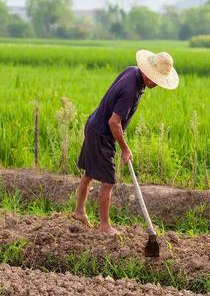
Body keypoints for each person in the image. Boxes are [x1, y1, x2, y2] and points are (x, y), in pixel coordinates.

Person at [71, 49, 179, 235]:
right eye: (157, 80)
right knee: (108, 181)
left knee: (89, 173)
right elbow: (114, 122)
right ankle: (105, 227)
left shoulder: (132, 72)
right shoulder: (130, 89)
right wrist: (124, 148)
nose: (157, 85)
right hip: (102, 134)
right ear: (149, 75)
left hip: (94, 125)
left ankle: (79, 211)